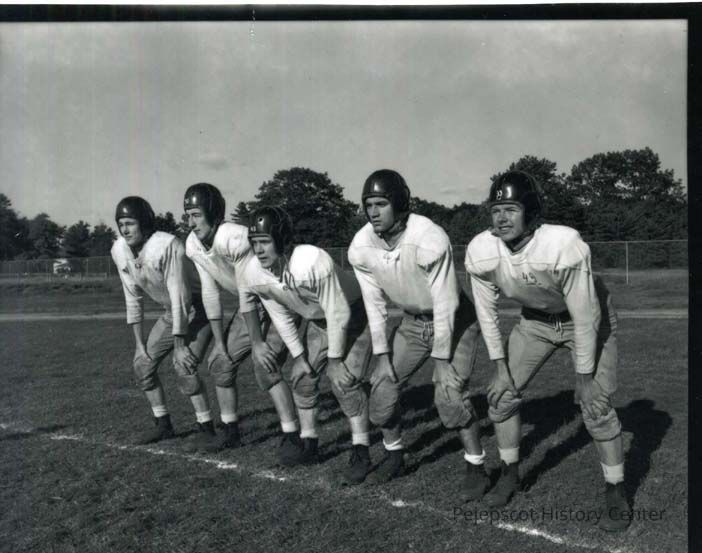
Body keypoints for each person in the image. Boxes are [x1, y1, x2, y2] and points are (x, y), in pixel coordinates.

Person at [464, 170, 629, 532]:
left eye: (511, 209)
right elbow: (487, 314)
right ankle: (510, 473)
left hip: (587, 319)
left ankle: (615, 489)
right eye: (496, 210)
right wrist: (500, 368)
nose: (501, 218)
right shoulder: (481, 250)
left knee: (596, 406)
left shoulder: (562, 244)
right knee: (501, 397)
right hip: (535, 322)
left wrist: (583, 379)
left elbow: (585, 317)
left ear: (531, 211)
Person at [347, 169, 487, 497]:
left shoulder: (428, 237)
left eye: (381, 204)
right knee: (382, 389)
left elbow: (446, 301)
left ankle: (476, 466)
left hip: (455, 319)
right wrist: (382, 356)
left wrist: (441, 362)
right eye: (369, 205)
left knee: (449, 393)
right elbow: (374, 304)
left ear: (398, 203)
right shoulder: (362, 245)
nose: (373, 212)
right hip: (411, 323)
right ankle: (395, 455)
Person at [239, 206, 373, 484]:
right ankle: (309, 442)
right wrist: (299, 357)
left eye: (264, 241)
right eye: (254, 243)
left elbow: (338, 312)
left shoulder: (311, 260)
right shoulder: (254, 272)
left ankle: (361, 450)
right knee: (302, 379)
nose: (259, 250)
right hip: (319, 319)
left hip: (354, 313)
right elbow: (281, 315)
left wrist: (334, 361)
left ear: (281, 239)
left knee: (344, 383)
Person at [183, 183, 306, 464]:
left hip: (278, 298)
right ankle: (230, 431)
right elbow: (210, 292)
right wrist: (220, 343)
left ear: (213, 213)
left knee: (265, 366)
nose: (190, 223)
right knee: (219, 363)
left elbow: (247, 291)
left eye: (196, 215)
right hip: (248, 303)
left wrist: (257, 343)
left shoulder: (234, 238)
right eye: (187, 216)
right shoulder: (193, 244)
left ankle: (292, 435)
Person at [111, 196, 215, 447]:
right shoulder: (119, 250)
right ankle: (163, 425)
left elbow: (181, 297)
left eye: (130, 223)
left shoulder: (166, 245)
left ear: (144, 223)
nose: (125, 230)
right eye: (121, 224)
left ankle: (206, 427)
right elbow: (133, 298)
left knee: (183, 365)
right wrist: (139, 345)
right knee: (142, 365)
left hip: (199, 309)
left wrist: (180, 346)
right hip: (172, 311)